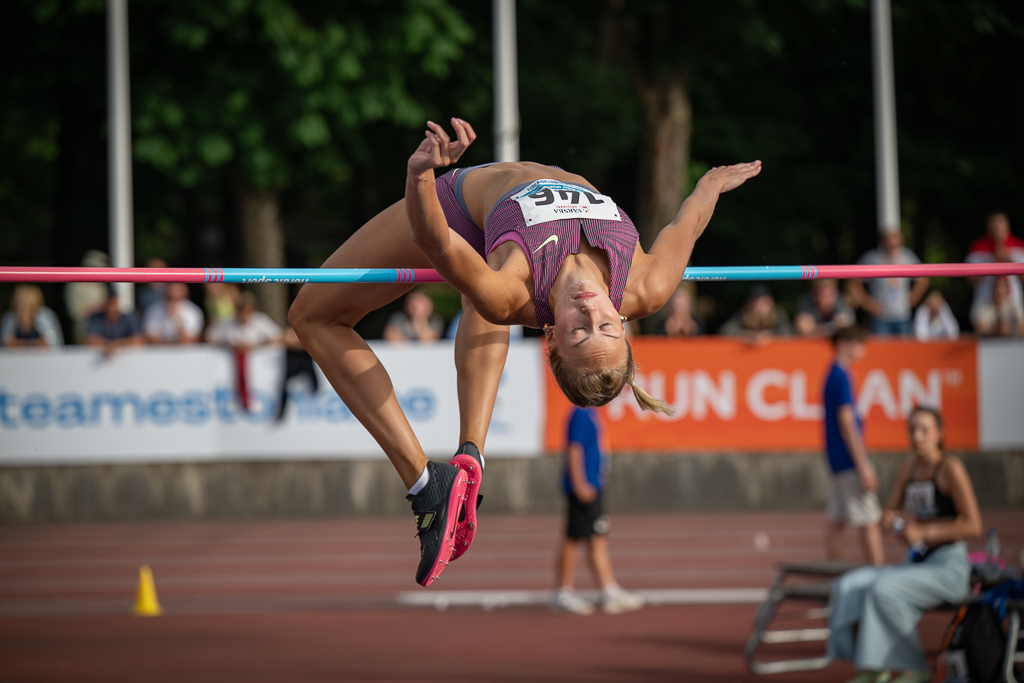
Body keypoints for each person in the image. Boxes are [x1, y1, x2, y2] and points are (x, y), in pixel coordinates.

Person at [288, 117, 761, 586]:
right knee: (487, 295)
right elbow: (689, 220)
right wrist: (712, 183)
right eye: (606, 328)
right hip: (496, 236)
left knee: (312, 316)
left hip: (454, 206)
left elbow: (433, 240)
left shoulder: (512, 291)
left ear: (552, 336)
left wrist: (420, 177)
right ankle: (469, 456)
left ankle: (425, 485)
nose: (589, 311)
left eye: (579, 332)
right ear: (624, 324)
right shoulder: (647, 286)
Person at [827, 407, 982, 683]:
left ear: (939, 433)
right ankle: (874, 667)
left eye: (924, 429)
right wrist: (889, 521)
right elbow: (886, 516)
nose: (917, 436)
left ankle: (915, 668)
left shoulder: (950, 469)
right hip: (915, 563)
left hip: (948, 567)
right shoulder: (906, 470)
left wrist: (925, 531)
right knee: (848, 585)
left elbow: (973, 525)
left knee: (883, 589)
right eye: (912, 429)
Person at [552, 406, 645, 615]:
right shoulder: (581, 412)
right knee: (574, 538)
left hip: (592, 485)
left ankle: (608, 591)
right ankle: (563, 592)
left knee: (597, 537)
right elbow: (574, 449)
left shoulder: (590, 412)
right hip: (583, 488)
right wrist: (579, 484)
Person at [822, 326, 883, 567]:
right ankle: (878, 575)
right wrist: (864, 465)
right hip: (849, 460)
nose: (863, 351)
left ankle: (833, 574)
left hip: (837, 459)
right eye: (859, 344)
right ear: (843, 344)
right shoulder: (842, 375)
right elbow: (846, 422)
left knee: (837, 522)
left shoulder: (831, 373)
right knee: (869, 520)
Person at [847, 230, 929, 336]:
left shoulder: (907, 256)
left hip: (902, 315)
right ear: (882, 241)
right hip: (880, 316)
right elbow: (853, 282)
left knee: (903, 351)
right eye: (888, 240)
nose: (892, 244)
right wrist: (866, 302)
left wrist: (914, 297)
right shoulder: (872, 258)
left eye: (895, 240)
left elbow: (923, 279)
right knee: (881, 351)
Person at [965, 211, 1024, 324]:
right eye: (994, 223)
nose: (997, 227)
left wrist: (1010, 260)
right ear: (988, 226)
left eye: (1000, 223)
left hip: (1013, 303)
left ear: (1008, 226)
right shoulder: (977, 249)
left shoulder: (1020, 248)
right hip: (985, 303)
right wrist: (990, 261)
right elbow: (971, 281)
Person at [718, 284, 792, 342]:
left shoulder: (777, 314)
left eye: (764, 302)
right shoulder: (744, 314)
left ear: (771, 302)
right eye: (755, 302)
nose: (759, 306)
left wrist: (769, 335)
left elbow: (789, 334)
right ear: (749, 303)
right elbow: (725, 332)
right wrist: (746, 335)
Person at [64, 250, 110, 343]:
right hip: (83, 331)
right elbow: (76, 313)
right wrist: (99, 308)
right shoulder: (74, 286)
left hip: (104, 331)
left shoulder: (101, 286)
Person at [85, 288, 145, 354]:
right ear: (105, 304)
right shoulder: (96, 318)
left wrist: (117, 344)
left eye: (114, 303)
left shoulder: (128, 318)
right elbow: (90, 340)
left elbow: (139, 340)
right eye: (110, 304)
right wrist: (110, 344)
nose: (112, 308)